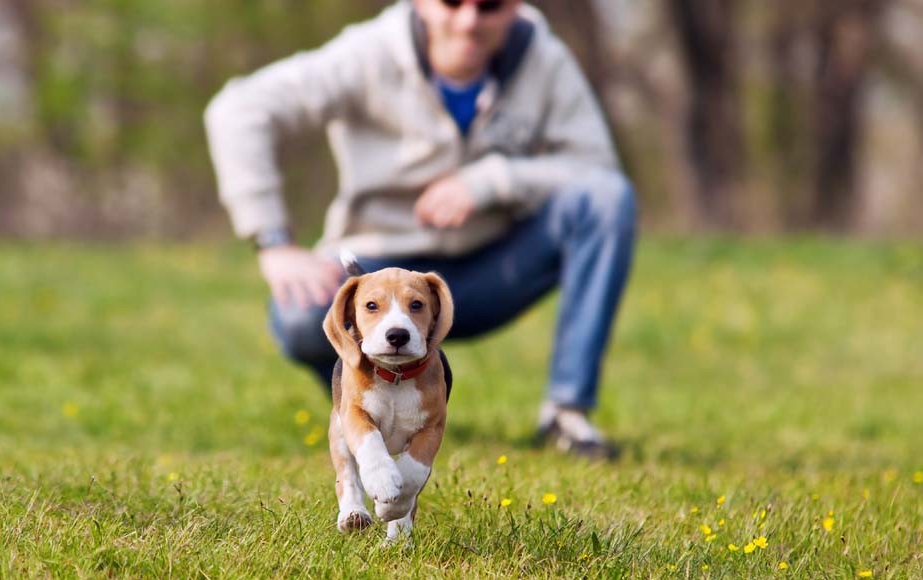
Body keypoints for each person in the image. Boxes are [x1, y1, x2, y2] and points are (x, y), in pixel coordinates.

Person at [204, 0, 636, 458]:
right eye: (452, 3)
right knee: (297, 318)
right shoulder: (369, 52)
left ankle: (566, 415)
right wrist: (272, 240)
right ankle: (364, 401)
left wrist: (491, 181)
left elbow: (596, 170)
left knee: (607, 200)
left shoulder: (544, 59)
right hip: (376, 260)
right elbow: (239, 108)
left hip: (492, 268)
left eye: (489, 6)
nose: (468, 21)